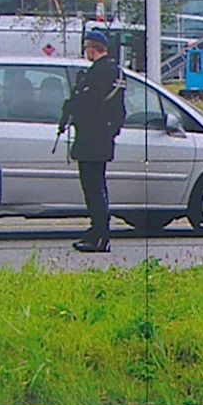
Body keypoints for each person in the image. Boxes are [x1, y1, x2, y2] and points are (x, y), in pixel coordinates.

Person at [59, 30, 126, 253]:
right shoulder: (114, 71)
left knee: (93, 188)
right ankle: (97, 230)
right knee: (96, 186)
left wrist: (72, 112)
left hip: (92, 138)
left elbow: (88, 104)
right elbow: (119, 111)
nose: (85, 51)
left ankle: (100, 234)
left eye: (86, 47)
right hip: (101, 137)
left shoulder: (100, 73)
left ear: (93, 48)